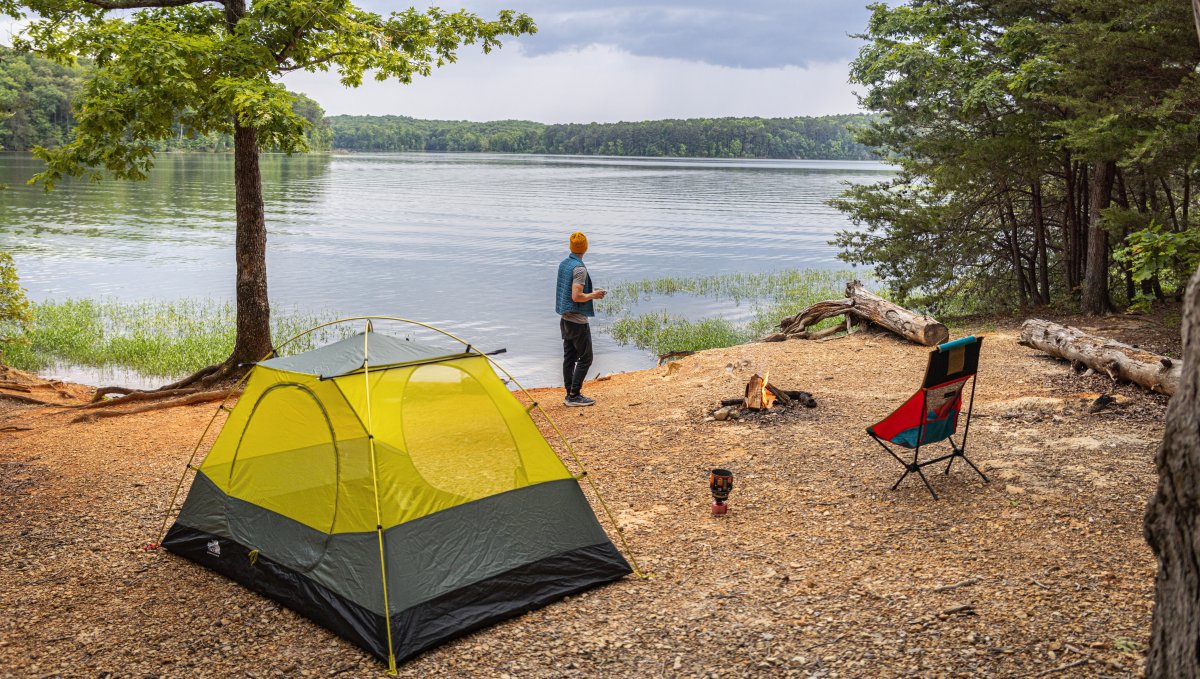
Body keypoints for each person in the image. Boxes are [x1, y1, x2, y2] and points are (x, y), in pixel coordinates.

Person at [555, 231, 606, 406]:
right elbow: (576, 297)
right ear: (585, 247)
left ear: (571, 247)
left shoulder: (564, 264)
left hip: (565, 319)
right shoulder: (579, 269)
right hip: (577, 322)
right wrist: (594, 295)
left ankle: (569, 393)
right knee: (586, 358)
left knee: (569, 357)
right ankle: (574, 395)